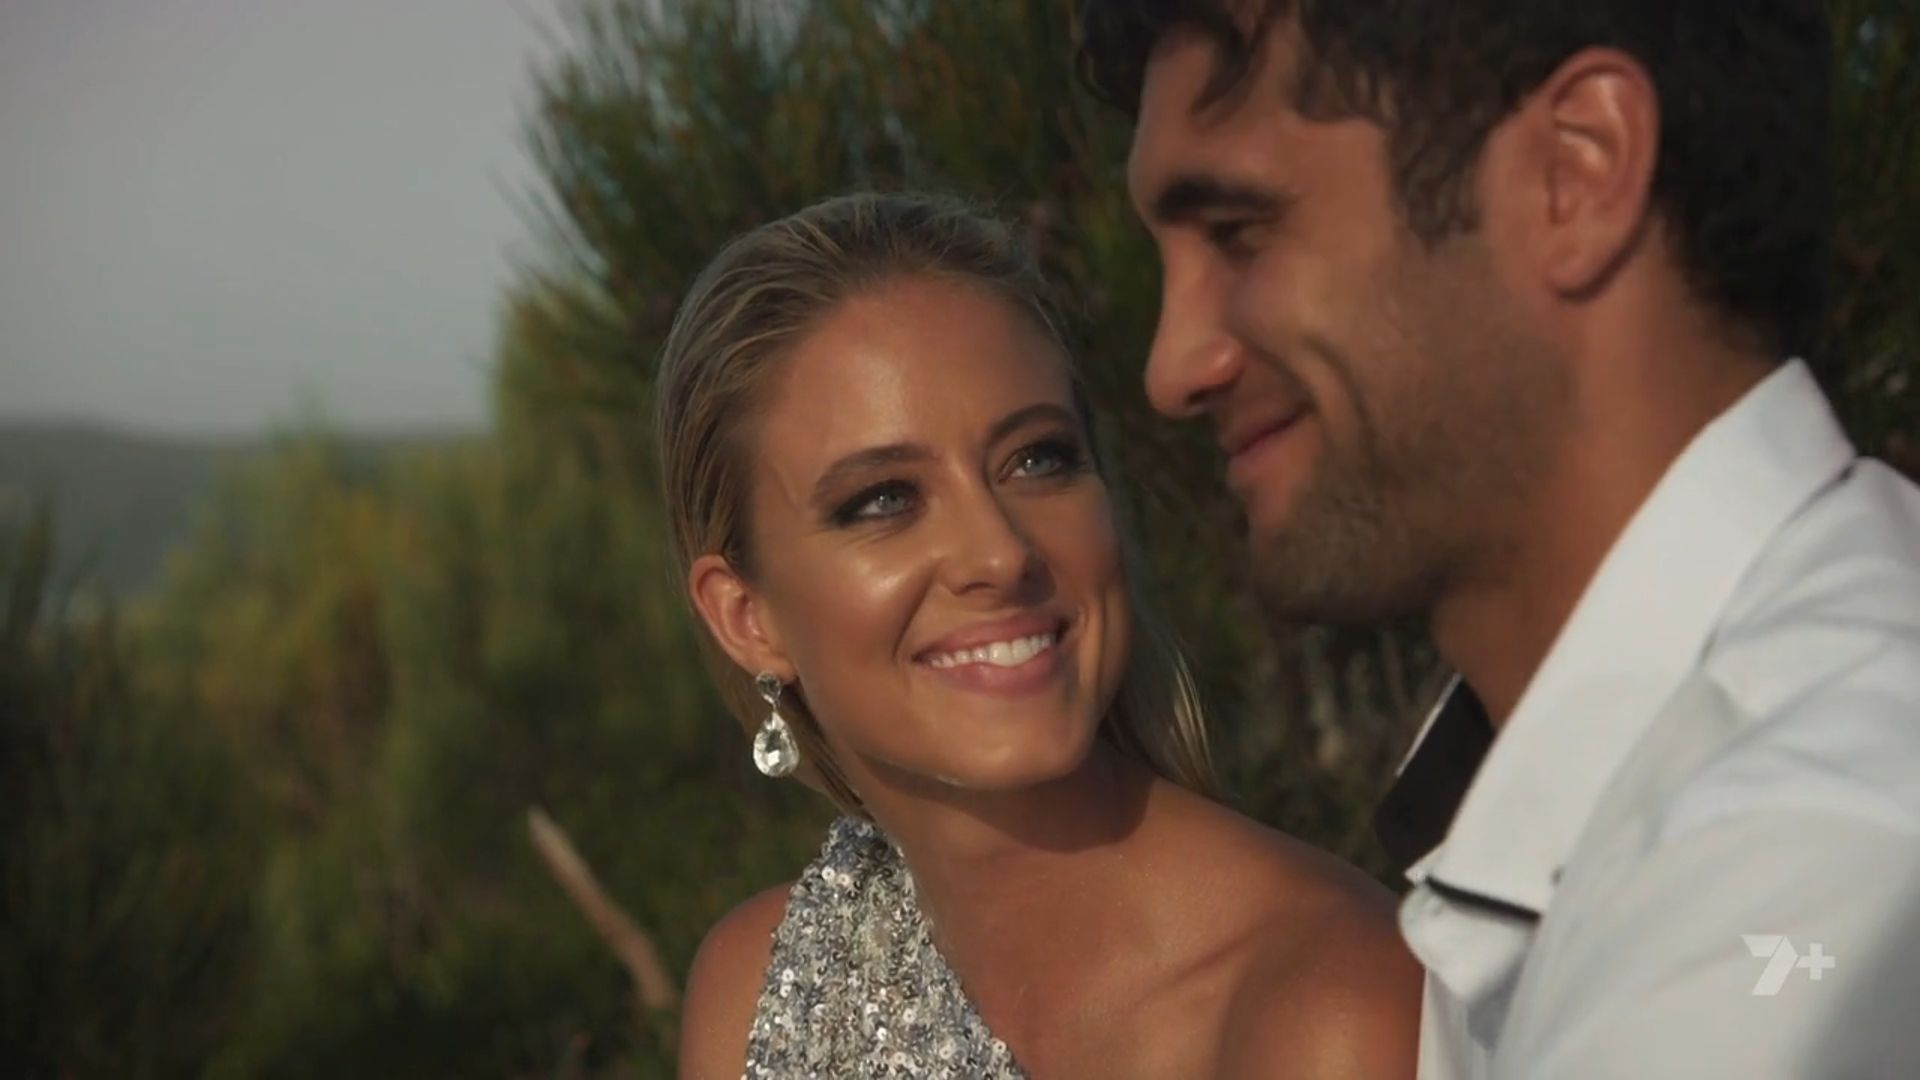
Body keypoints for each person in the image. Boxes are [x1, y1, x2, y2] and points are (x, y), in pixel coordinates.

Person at [1077, 0, 1920, 1076]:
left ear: (1576, 173)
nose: (1172, 366)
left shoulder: (1801, 864)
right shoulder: (1632, 805)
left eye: (1240, 233)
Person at [659, 191, 1419, 1078]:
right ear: (747, 618)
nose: (1001, 552)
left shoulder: (1333, 1011)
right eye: (884, 500)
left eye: (1037, 459)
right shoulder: (757, 996)